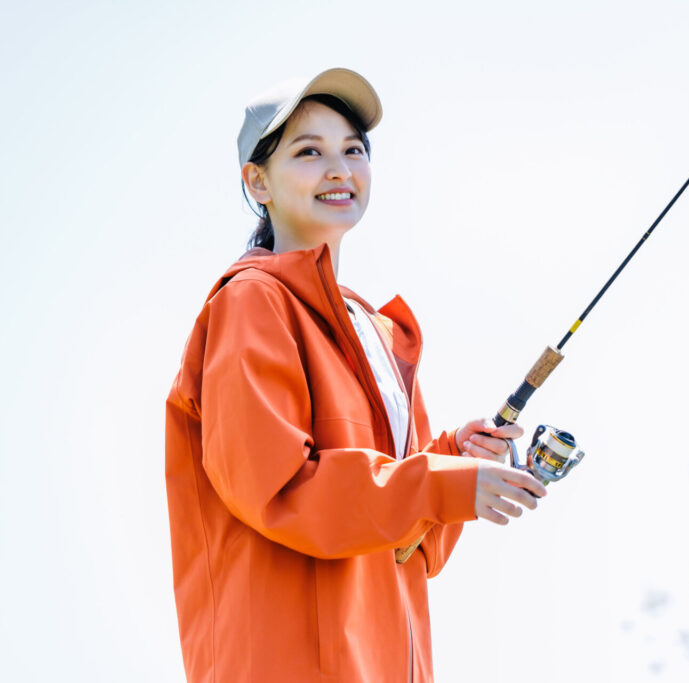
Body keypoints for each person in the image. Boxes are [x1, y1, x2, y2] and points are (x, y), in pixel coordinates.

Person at [164, 67, 547, 683]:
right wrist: (440, 484)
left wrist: (455, 458)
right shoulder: (251, 301)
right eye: (309, 152)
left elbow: (411, 545)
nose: (339, 169)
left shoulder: (376, 331)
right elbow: (279, 489)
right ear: (257, 181)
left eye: (353, 150)